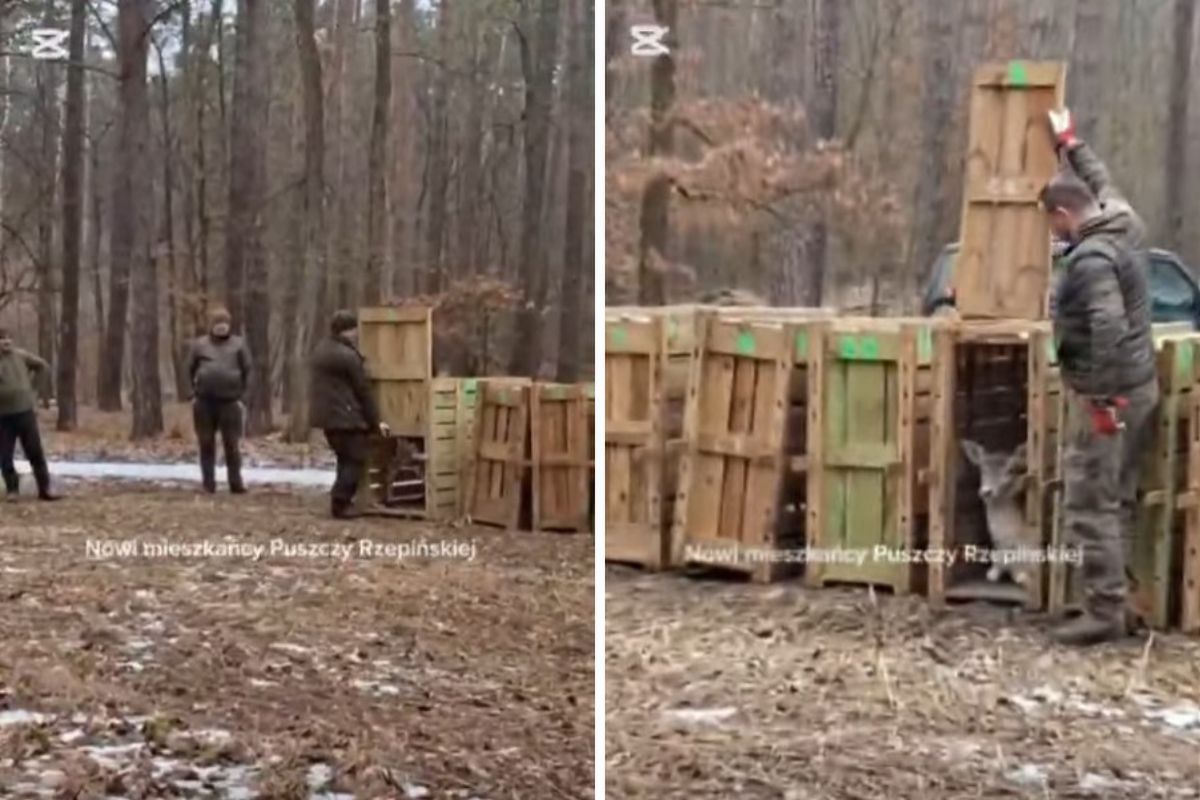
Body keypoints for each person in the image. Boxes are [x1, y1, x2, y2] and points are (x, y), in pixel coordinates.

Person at [1040, 108, 1159, 645]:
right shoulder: (1124, 224)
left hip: (1112, 398)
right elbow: (1101, 179)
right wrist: (1068, 141)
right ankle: (1123, 600)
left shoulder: (1089, 261)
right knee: (1119, 498)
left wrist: (1101, 398)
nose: (1053, 234)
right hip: (1141, 387)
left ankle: (1103, 611)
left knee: (1090, 502)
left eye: (1052, 223)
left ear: (1065, 214)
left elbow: (1106, 324)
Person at [309, 310, 389, 519]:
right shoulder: (347, 356)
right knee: (355, 459)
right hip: (345, 417)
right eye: (354, 330)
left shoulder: (321, 349)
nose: (357, 334)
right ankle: (340, 503)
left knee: (345, 459)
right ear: (347, 331)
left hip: (329, 417)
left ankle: (341, 502)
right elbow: (362, 390)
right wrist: (376, 421)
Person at [187, 307, 252, 494]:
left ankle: (236, 483)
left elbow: (248, 370)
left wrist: (244, 395)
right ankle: (208, 483)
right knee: (206, 443)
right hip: (204, 401)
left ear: (229, 325)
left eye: (224, 323)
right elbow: (189, 369)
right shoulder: (200, 345)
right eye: (217, 323)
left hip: (230, 401)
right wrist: (192, 392)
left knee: (232, 444)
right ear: (212, 326)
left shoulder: (239, 345)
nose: (221, 327)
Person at [0, 328, 61, 501]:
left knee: (35, 452)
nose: (6, 342)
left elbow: (42, 366)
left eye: (8, 338)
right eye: (2, 339)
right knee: (5, 455)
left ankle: (45, 489)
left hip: (25, 412)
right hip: (3, 416)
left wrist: (33, 389)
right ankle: (12, 490)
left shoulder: (21, 356)